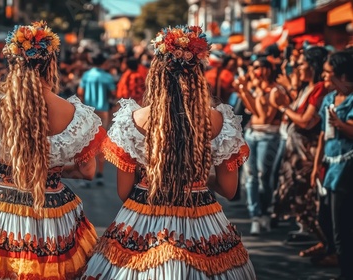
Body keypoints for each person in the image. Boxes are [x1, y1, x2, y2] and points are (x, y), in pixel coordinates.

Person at [81, 25, 256, 279]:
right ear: (198, 74)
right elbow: (229, 190)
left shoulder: (132, 120)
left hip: (144, 219)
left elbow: (123, 192)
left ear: (157, 73)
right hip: (203, 222)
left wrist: (160, 175)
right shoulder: (221, 121)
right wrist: (192, 177)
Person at [0, 21, 105, 279]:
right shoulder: (78, 116)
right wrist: (51, 169)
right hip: (52, 213)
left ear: (12, 65)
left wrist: (14, 164)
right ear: (51, 64)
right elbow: (88, 171)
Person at [270, 46, 330, 254]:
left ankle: (320, 238)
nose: (297, 68)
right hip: (296, 151)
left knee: (306, 195)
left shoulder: (320, 89)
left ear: (313, 65)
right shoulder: (307, 88)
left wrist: (282, 108)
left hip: (307, 153)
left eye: (301, 64)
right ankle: (311, 232)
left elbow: (305, 121)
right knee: (294, 191)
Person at [311, 51, 353, 280]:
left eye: (328, 73)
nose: (324, 77)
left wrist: (339, 122)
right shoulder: (328, 99)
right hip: (329, 166)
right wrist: (317, 163)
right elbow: (322, 136)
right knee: (324, 217)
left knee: (341, 227)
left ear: (343, 75)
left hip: (347, 169)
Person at [235, 58, 284, 235]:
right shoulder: (256, 89)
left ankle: (265, 212)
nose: (256, 72)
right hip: (252, 134)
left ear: (268, 70)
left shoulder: (275, 90)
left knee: (264, 176)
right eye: (254, 68)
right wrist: (246, 92)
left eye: (259, 68)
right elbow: (252, 110)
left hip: (268, 135)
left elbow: (264, 116)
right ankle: (255, 215)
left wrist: (246, 91)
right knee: (250, 177)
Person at [77, 52, 115, 187]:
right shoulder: (107, 76)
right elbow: (113, 93)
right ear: (103, 63)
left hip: (89, 111)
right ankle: (100, 174)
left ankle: (87, 174)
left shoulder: (87, 75)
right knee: (101, 143)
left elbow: (80, 92)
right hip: (103, 111)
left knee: (88, 142)